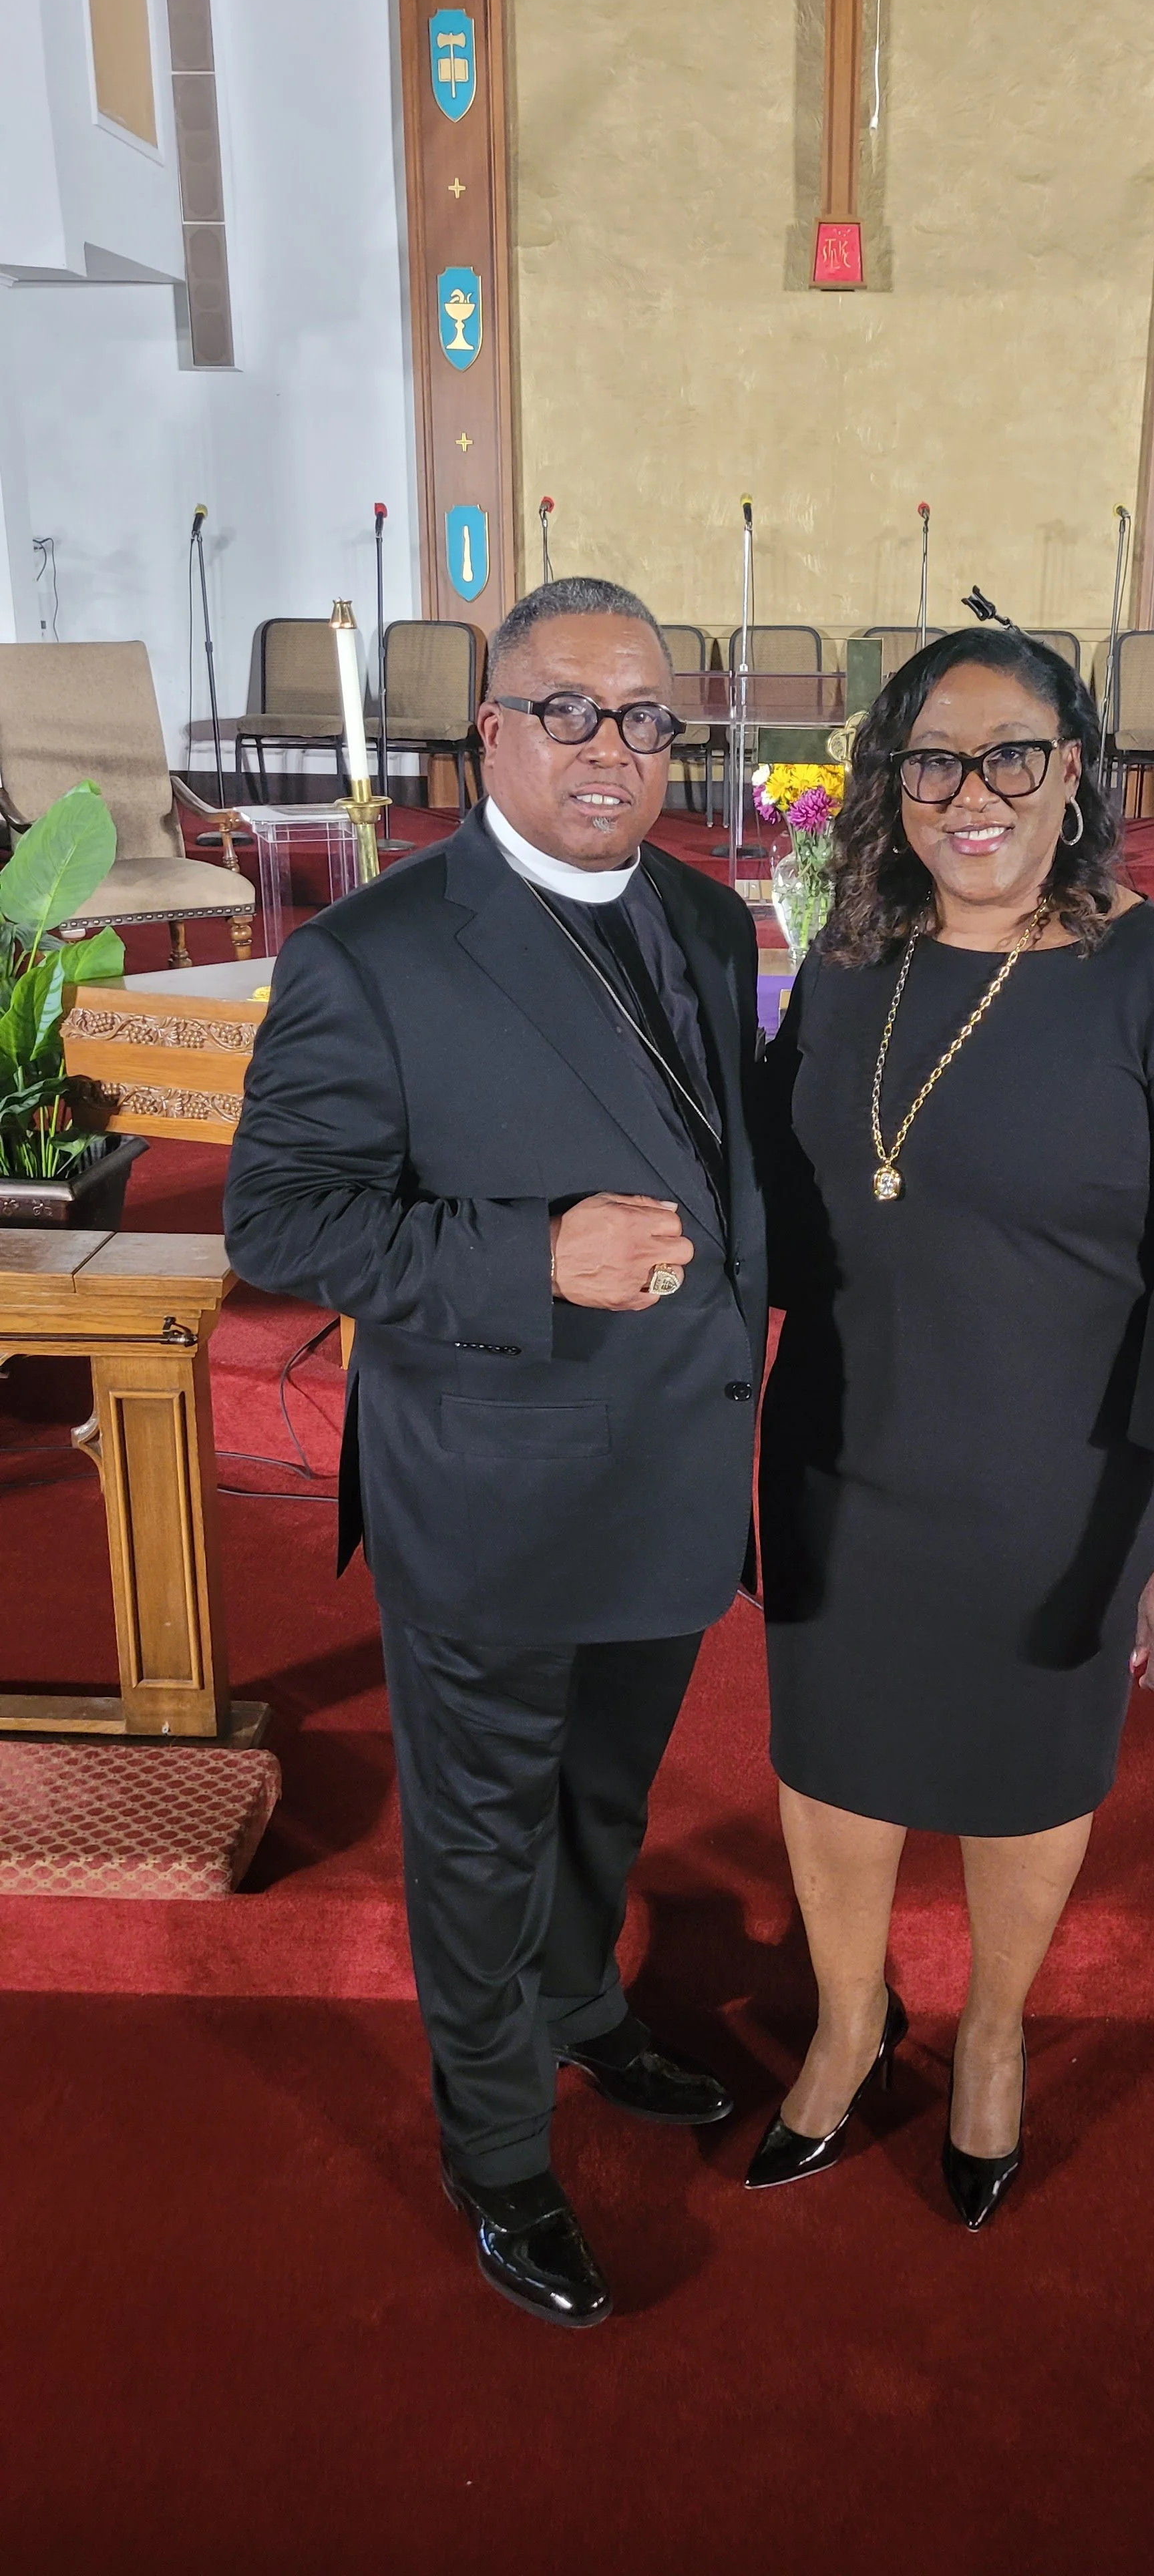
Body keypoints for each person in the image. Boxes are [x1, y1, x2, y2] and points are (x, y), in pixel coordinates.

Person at [224, 578, 766, 2328]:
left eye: (644, 718)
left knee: (601, 1796)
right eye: (568, 711)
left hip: (674, 1459)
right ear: (490, 735)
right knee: (477, 1829)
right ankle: (495, 2150)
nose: (611, 750)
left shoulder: (705, 921)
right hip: (493, 1472)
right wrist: (525, 1255)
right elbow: (282, 1219)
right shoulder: (370, 955)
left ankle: (586, 2010)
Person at [749, 626, 1154, 2226]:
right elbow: (763, 1195)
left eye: (1014, 755)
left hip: (1056, 1476)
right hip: (840, 1458)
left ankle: (994, 2034)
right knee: (833, 1767)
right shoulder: (853, 960)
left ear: (1075, 773)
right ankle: (851, 2024)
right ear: (895, 783)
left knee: (1023, 1776)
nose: (973, 794)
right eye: (935, 761)